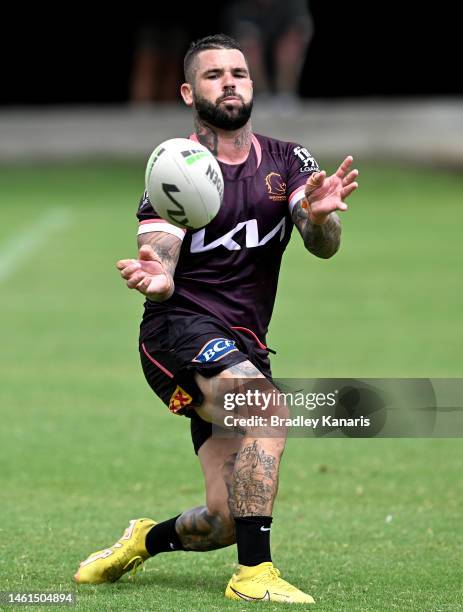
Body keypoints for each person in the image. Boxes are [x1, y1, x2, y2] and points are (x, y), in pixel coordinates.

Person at [74, 34, 358, 604]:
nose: (230, 82)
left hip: (243, 347)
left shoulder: (289, 159)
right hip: (177, 333)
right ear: (188, 91)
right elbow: (162, 244)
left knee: (224, 519)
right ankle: (254, 575)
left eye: (240, 72)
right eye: (213, 75)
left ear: (253, 84)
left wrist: (321, 217)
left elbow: (321, 243)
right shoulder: (175, 166)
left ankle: (142, 540)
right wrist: (161, 277)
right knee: (269, 408)